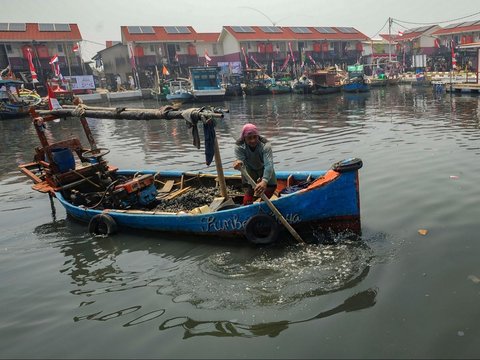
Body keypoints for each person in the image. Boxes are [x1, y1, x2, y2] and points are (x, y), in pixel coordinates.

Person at [233, 123, 277, 205]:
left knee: (272, 186)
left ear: (258, 136)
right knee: (249, 189)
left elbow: (269, 164)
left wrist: (264, 181)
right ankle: (247, 207)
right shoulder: (239, 145)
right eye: (249, 138)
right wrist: (239, 164)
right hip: (249, 167)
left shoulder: (265, 145)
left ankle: (263, 205)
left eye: (255, 137)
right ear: (244, 138)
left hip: (263, 167)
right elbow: (241, 161)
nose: (252, 140)